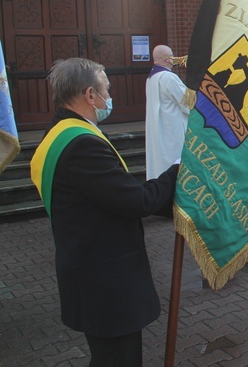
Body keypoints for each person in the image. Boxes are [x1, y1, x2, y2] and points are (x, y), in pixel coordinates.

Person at [29, 58, 179, 365]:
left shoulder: (59, 132)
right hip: (104, 281)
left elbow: (111, 195)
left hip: (89, 267)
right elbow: (136, 201)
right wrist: (177, 173)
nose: (109, 97)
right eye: (106, 90)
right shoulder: (82, 145)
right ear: (89, 95)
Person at [145, 45, 189, 180]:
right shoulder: (168, 78)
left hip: (160, 130)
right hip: (172, 132)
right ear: (168, 59)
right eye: (172, 56)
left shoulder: (151, 79)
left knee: (161, 163)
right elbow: (187, 103)